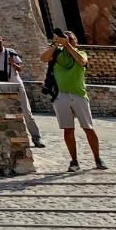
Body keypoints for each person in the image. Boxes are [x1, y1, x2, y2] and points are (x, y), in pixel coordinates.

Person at [39, 30, 105, 171]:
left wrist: (68, 45)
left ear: (76, 41)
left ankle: (98, 158)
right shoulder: (57, 54)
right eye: (66, 39)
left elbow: (82, 62)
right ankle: (74, 161)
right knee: (68, 130)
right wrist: (56, 44)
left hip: (79, 95)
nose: (68, 40)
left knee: (88, 128)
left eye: (71, 39)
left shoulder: (81, 53)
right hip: (61, 96)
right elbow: (43, 58)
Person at [0, 30, 44, 148]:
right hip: (2, 85)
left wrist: (13, 64)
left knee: (27, 112)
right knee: (6, 112)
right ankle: (13, 139)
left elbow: (20, 69)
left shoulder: (11, 52)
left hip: (16, 83)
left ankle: (36, 137)